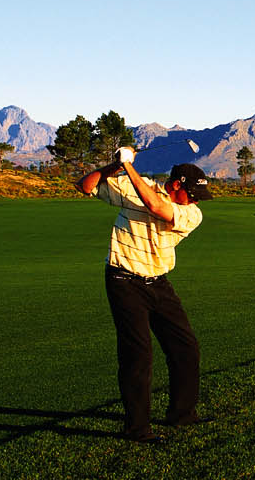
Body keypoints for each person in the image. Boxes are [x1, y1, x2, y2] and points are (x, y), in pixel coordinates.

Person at [77, 147, 214, 443]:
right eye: (190, 193)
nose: (193, 201)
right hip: (123, 280)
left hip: (159, 282)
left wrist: (128, 167)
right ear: (176, 184)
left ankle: (182, 414)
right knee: (137, 356)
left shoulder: (192, 214)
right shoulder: (134, 186)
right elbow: (86, 185)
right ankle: (137, 429)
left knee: (185, 348)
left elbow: (154, 205)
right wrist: (116, 164)